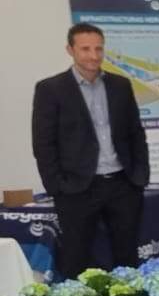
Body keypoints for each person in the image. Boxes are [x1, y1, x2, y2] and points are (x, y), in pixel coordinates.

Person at [31, 23, 149, 277]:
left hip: (122, 184)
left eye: (98, 49)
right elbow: (43, 143)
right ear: (70, 50)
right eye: (85, 49)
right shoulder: (51, 89)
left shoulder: (120, 85)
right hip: (76, 189)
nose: (93, 56)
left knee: (128, 258)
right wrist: (57, 186)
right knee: (76, 260)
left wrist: (140, 176)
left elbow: (135, 133)